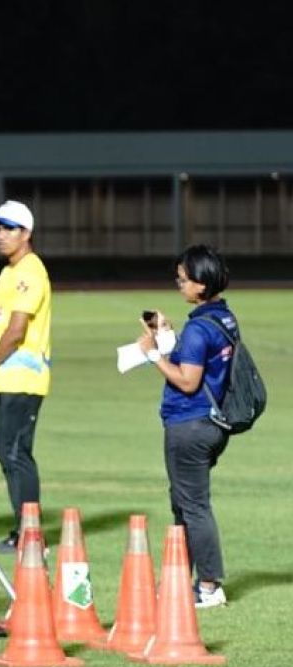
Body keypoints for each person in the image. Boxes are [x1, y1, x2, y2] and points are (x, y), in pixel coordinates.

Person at [135, 244, 236, 608]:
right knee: (184, 503)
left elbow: (188, 381)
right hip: (210, 423)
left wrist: (152, 354)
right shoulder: (223, 318)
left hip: (188, 424)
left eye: (183, 279)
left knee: (192, 505)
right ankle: (181, 579)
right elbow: (202, 363)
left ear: (201, 284)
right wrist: (169, 337)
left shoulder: (199, 329)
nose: (179, 284)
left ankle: (209, 587)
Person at [0, 200, 51, 554]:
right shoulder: (9, 272)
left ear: (27, 233)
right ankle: (21, 528)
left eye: (8, 228)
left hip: (24, 379)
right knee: (6, 455)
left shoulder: (31, 271)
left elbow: (17, 330)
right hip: (6, 378)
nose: (0, 235)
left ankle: (31, 536)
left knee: (17, 454)